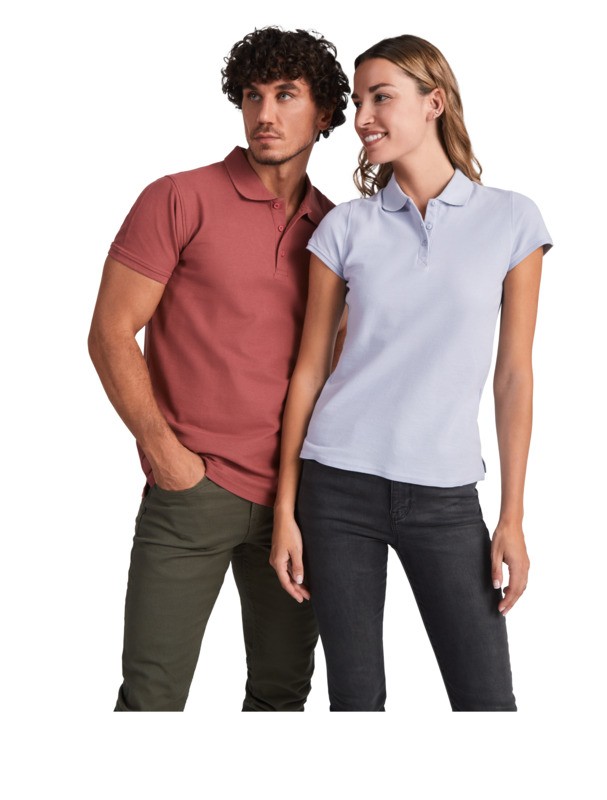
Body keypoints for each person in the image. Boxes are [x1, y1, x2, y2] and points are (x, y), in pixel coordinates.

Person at [270, 34, 552, 711]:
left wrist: (511, 516)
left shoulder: (511, 220)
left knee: (486, 703)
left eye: (381, 98)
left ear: (434, 102)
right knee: (356, 703)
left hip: (445, 498)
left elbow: (513, 376)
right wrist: (285, 509)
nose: (363, 117)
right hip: (336, 490)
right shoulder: (345, 228)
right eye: (358, 103)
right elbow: (308, 372)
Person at [88, 26, 349, 712]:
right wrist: (165, 453)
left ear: (323, 111)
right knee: (150, 700)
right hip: (191, 491)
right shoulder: (178, 197)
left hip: (297, 499)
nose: (265, 113)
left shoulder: (336, 229)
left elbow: (340, 365)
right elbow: (110, 332)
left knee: (281, 694)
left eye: (286, 95)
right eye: (252, 96)